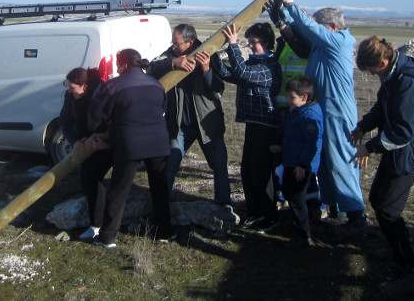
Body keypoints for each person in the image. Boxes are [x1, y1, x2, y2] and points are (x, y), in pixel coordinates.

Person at [271, 0, 367, 236]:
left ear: (332, 27)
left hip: (337, 112)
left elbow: (309, 28)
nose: (316, 32)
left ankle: (356, 216)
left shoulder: (338, 42)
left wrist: (290, 1)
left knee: (341, 162)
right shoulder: (322, 46)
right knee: (324, 163)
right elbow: (303, 40)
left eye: (320, 27)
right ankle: (334, 210)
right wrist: (283, 22)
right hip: (324, 111)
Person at [349, 36, 414, 296]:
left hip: (409, 153)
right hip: (396, 149)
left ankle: (410, 273)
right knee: (378, 198)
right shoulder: (392, 75)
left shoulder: (407, 82)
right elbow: (383, 106)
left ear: (383, 61)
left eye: (370, 70)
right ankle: (395, 247)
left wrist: (370, 147)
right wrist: (363, 126)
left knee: (388, 208)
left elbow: (402, 132)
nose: (369, 74)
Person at [88, 49, 175, 248]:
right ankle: (166, 232)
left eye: (118, 65)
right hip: (158, 142)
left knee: (119, 190)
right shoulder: (157, 84)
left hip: (129, 143)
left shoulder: (114, 86)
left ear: (125, 64)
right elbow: (162, 109)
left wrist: (102, 134)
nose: (117, 69)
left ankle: (107, 237)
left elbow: (96, 118)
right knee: (159, 188)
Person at [147, 24, 230, 205]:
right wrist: (172, 63)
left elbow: (218, 88)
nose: (173, 46)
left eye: (177, 43)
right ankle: (161, 209)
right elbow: (151, 67)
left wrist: (206, 69)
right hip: (180, 125)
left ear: (190, 42)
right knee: (169, 167)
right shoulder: (170, 55)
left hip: (208, 125)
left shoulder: (210, 54)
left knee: (219, 167)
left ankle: (223, 208)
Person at [213, 22, 281, 232]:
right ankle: (255, 212)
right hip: (253, 123)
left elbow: (241, 73)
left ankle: (270, 216)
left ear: (266, 43)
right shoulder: (255, 64)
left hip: (266, 125)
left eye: (254, 42)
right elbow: (230, 74)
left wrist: (233, 44)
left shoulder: (269, 66)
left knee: (261, 173)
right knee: (247, 171)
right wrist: (212, 55)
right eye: (249, 42)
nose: (250, 46)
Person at [269, 76, 323, 249]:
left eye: (292, 97)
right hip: (291, 160)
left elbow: (311, 144)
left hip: (300, 165)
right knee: (291, 193)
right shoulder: (297, 110)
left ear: (304, 97)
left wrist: (303, 165)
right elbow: (294, 137)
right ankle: (300, 225)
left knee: (297, 199)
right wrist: (282, 147)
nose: (289, 101)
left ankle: (303, 235)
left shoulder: (310, 116)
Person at [59, 67, 111, 242]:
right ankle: (94, 217)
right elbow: (64, 121)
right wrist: (74, 140)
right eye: (68, 87)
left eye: (73, 87)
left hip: (104, 143)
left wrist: (103, 142)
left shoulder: (101, 94)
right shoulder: (70, 97)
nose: (70, 90)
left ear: (85, 85)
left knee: (93, 178)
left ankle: (97, 226)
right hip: (85, 145)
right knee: (86, 179)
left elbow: (110, 120)